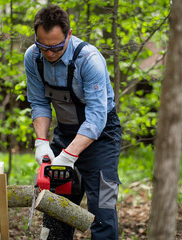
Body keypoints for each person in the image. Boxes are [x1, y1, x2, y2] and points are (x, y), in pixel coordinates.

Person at [24, 5, 122, 240]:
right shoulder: (33, 57)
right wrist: (41, 142)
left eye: (56, 47)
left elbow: (97, 118)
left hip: (102, 138)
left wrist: (69, 157)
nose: (49, 53)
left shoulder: (89, 60)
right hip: (66, 133)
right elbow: (38, 102)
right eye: (43, 45)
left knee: (103, 211)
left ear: (68, 35)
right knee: (55, 209)